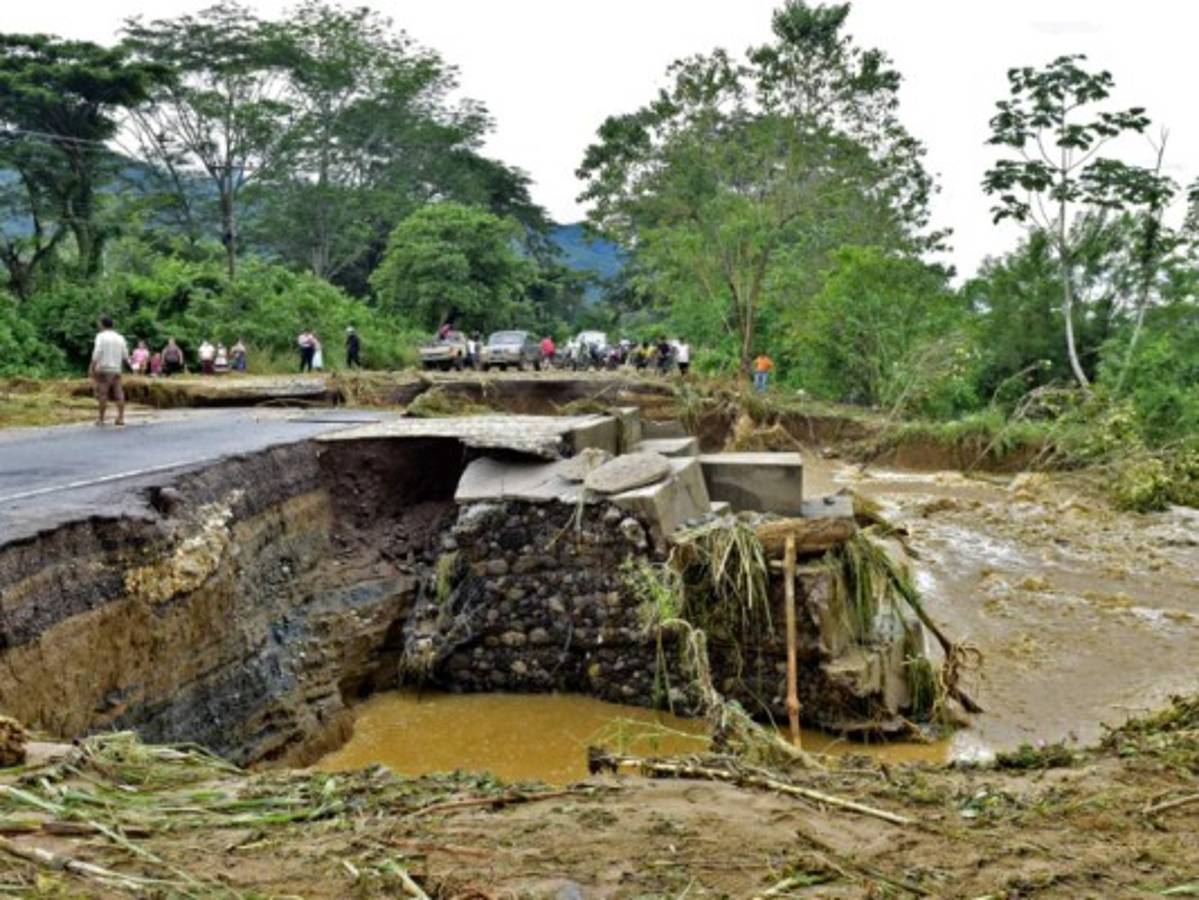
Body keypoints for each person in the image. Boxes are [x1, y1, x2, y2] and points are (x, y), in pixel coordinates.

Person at [90, 315, 129, 427]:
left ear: (102, 324)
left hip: (104, 369)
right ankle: (120, 418)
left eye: (99, 323)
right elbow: (125, 355)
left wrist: (92, 367)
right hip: (117, 369)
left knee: (103, 394)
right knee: (119, 393)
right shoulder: (120, 337)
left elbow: (97, 352)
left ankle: (101, 419)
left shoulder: (100, 336)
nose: (98, 325)